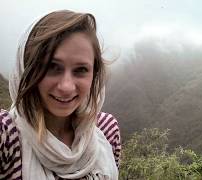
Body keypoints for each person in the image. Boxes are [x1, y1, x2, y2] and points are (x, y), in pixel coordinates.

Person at [0, 10, 121, 179]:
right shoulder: (7, 135)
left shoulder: (106, 129)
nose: (66, 87)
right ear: (27, 69)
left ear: (94, 74)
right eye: (52, 67)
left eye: (81, 70)